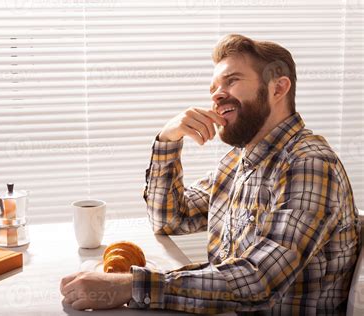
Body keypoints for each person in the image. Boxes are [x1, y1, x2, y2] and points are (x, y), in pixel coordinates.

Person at [60, 34, 361, 315]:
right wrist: (167, 140)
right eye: (214, 88)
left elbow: (259, 280)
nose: (217, 96)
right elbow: (169, 220)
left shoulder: (309, 164)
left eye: (231, 81)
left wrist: (131, 286)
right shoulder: (237, 163)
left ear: (278, 88)